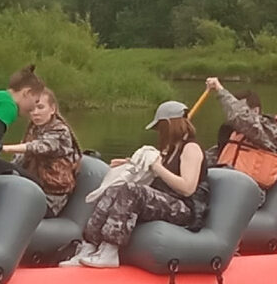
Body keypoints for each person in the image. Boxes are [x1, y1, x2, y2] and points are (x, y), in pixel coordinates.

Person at [63, 100, 208, 268]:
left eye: (160, 128)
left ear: (168, 125)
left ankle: (110, 249)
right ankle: (89, 245)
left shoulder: (191, 149)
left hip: (184, 209)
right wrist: (129, 163)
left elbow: (187, 188)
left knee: (131, 191)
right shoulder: (171, 148)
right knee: (115, 188)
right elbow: (154, 171)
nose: (159, 133)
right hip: (166, 201)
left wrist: (157, 167)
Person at [1, 87, 82, 217]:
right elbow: (19, 158)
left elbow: (40, 146)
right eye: (32, 109)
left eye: (40, 107)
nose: (35, 113)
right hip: (31, 189)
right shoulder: (33, 130)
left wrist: (6, 148)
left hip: (50, 199)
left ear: (52, 109)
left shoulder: (60, 131)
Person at [204, 76, 277, 189]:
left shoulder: (269, 130)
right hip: (225, 182)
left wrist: (220, 90)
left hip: (250, 191)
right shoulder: (233, 132)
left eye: (240, 107)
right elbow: (212, 157)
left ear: (255, 111)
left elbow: (240, 117)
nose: (231, 111)